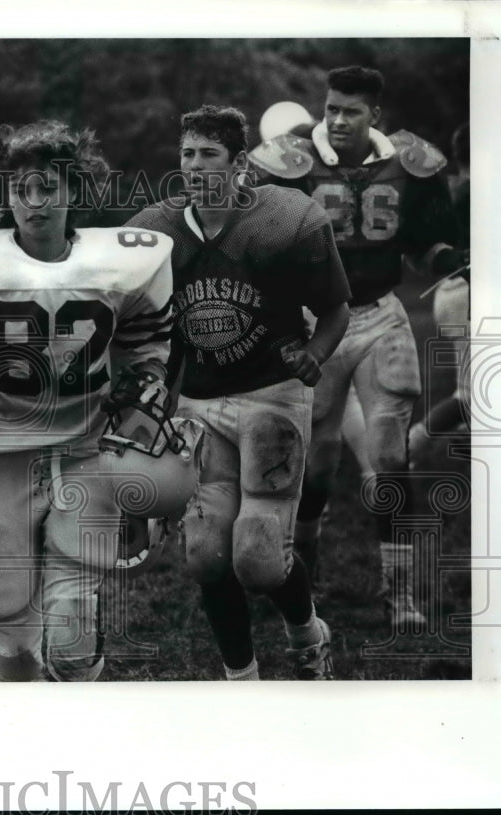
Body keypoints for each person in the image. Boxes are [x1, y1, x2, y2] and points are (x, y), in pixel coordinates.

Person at [0, 120, 175, 681]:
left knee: (73, 631)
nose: (35, 201)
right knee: (10, 626)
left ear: (75, 190)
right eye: (22, 187)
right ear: (6, 193)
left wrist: (142, 401)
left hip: (85, 452)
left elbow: (147, 346)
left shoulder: (124, 261)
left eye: (49, 186)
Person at [128, 105, 350, 679]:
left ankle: (306, 634)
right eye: (186, 154)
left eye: (209, 154)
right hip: (200, 404)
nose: (195, 165)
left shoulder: (284, 219)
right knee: (204, 554)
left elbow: (335, 308)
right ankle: (241, 679)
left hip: (271, 395)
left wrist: (315, 355)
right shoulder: (158, 230)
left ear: (240, 163)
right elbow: (144, 322)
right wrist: (150, 390)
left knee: (256, 556)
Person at [250, 66, 462, 625]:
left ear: (376, 118)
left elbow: (421, 245)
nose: (338, 120)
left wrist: (448, 258)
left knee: (391, 458)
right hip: (313, 321)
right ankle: (303, 580)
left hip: (378, 315)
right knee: (316, 466)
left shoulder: (410, 164)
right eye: (332, 109)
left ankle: (401, 596)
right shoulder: (289, 161)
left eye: (351, 111)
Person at [408, 122, 471, 467]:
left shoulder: (455, 190)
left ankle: (470, 443)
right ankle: (405, 449)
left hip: (454, 295)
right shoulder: (472, 193)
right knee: (471, 396)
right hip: (465, 296)